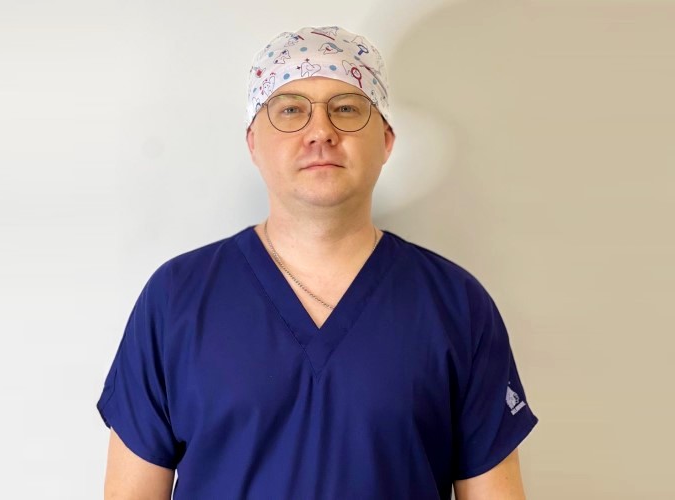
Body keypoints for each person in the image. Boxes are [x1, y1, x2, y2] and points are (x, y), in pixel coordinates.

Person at [97, 26, 538, 499]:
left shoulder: (457, 306)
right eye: (290, 110)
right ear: (253, 142)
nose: (321, 132)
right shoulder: (176, 300)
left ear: (386, 140)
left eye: (346, 109)